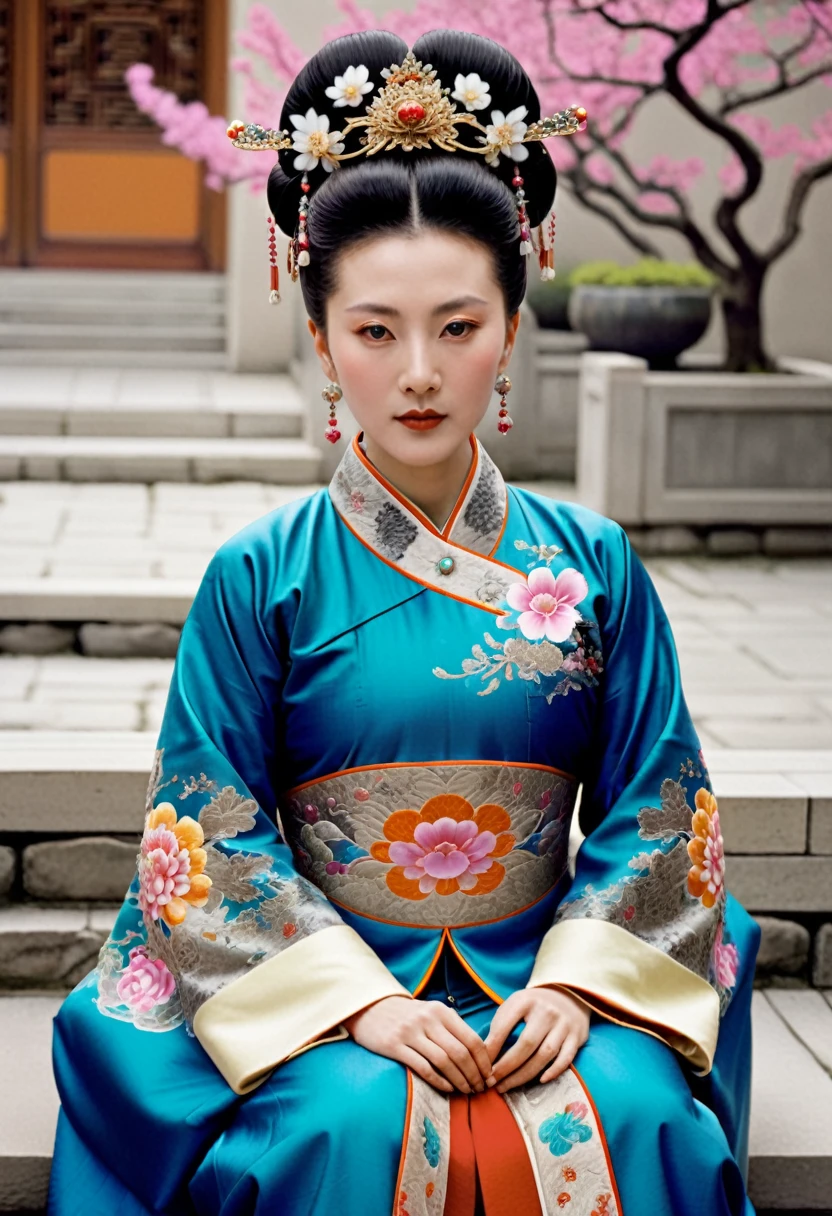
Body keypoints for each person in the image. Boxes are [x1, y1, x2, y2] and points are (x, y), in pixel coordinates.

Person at [47, 28, 760, 1216]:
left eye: (459, 326)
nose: (420, 371)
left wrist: (581, 987)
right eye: (376, 330)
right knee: (346, 1118)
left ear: (513, 332)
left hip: (546, 968)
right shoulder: (258, 576)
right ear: (323, 341)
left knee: (627, 1107)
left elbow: (656, 805)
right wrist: (359, 1002)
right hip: (326, 972)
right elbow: (208, 827)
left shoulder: (594, 567)